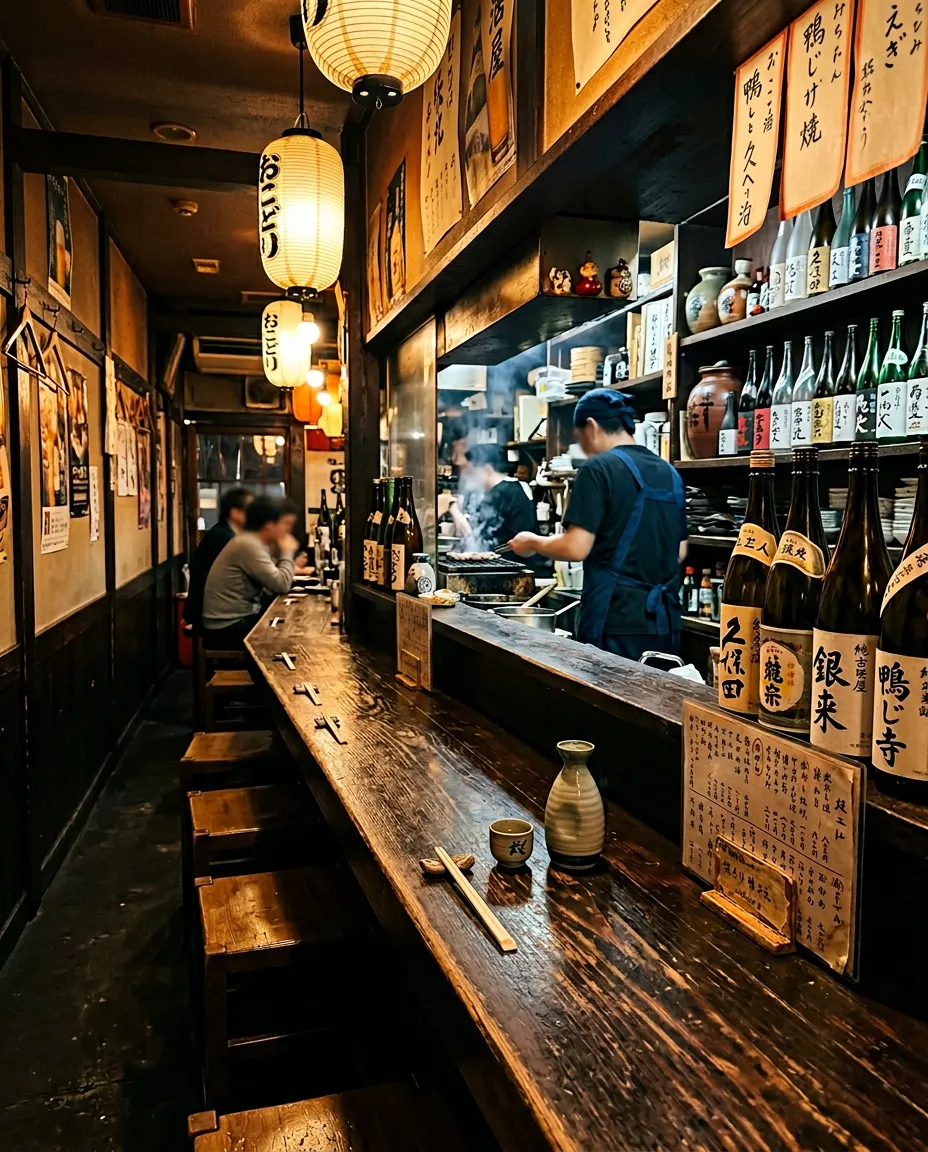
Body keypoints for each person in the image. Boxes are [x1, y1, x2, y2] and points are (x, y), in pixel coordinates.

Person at [509, 389, 687, 661]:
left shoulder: (599, 469)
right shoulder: (670, 473)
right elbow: (679, 553)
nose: (583, 446)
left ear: (591, 426)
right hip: (665, 622)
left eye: (579, 438)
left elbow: (575, 547)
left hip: (615, 621)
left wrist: (532, 542)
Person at [201, 496, 307, 649]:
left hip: (233, 621)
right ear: (269, 525)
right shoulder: (248, 545)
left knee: (290, 626)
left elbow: (273, 578)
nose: (287, 531)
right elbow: (281, 584)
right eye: (285, 525)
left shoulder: (253, 542)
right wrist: (287, 551)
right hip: (227, 627)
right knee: (289, 637)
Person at [183, 487, 253, 634]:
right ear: (235, 513)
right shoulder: (222, 537)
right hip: (213, 615)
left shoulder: (230, 533)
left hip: (220, 609)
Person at [447, 445, 540, 553]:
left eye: (472, 472)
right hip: (497, 562)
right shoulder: (492, 492)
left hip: (516, 564)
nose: (469, 476)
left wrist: (453, 508)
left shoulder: (510, 493)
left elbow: (472, 536)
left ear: (487, 470)